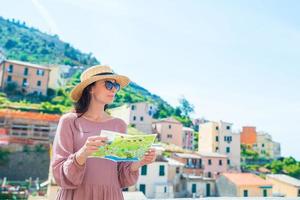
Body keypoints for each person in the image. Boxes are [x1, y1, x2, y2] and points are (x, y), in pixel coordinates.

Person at [51, 65, 156, 200]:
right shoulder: (69, 121)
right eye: (108, 84)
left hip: (111, 195)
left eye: (116, 86)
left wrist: (139, 162)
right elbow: (59, 172)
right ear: (90, 88)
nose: (114, 89)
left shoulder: (119, 124)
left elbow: (121, 176)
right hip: (76, 195)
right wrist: (83, 153)